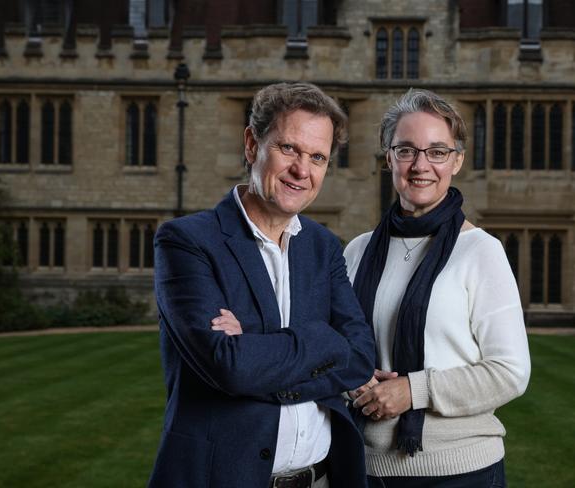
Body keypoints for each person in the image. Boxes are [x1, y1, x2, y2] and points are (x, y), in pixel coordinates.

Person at [148, 82, 375, 488]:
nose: (302, 171)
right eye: (289, 149)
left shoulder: (322, 246)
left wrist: (256, 346)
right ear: (253, 144)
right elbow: (230, 367)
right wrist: (324, 341)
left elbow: (358, 356)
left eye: (317, 157)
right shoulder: (187, 241)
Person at [344, 89, 531, 488]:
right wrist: (351, 378)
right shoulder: (358, 251)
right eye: (407, 150)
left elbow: (511, 373)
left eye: (438, 152)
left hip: (458, 472)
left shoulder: (481, 251)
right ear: (388, 157)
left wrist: (414, 390)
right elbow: (334, 349)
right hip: (362, 467)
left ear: (457, 160)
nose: (421, 165)